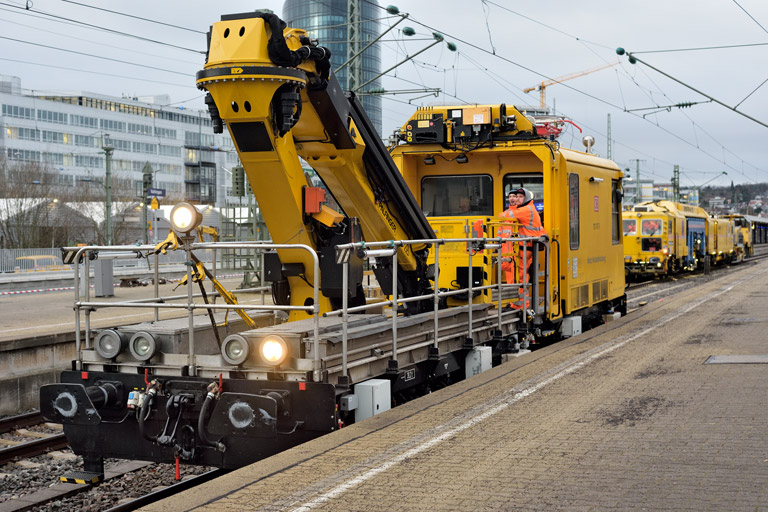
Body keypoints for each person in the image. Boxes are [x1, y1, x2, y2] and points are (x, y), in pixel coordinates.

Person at [498, 188, 547, 309]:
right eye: (516, 196)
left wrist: (510, 209)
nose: (517, 199)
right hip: (522, 249)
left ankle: (520, 305)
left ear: (527, 198)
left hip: (524, 249)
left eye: (520, 197)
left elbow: (505, 215)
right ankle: (514, 302)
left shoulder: (526, 210)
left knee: (519, 278)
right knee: (515, 277)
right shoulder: (527, 209)